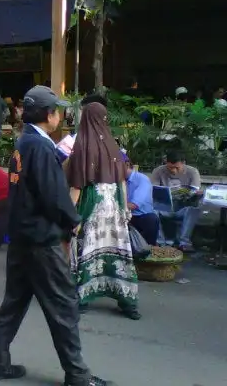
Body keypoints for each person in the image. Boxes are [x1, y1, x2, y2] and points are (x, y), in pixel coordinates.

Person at [0, 86, 111, 386]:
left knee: (13, 303)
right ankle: (78, 375)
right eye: (58, 110)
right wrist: (73, 221)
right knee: (64, 307)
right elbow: (54, 196)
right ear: (48, 115)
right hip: (42, 240)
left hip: (22, 237)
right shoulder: (39, 147)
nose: (61, 115)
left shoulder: (25, 143)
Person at [65, 102, 140, 321]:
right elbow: (122, 182)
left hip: (93, 203)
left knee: (88, 250)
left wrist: (69, 214)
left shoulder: (83, 145)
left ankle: (84, 298)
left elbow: (77, 186)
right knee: (118, 250)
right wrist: (124, 208)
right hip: (114, 205)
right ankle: (128, 302)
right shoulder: (113, 145)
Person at [151, 151, 202, 251]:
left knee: (195, 208)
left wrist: (196, 194)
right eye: (170, 167)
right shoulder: (158, 171)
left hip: (182, 209)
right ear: (166, 163)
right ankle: (160, 242)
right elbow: (153, 189)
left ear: (183, 163)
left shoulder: (193, 172)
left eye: (177, 168)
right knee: (150, 209)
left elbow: (195, 189)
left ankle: (184, 242)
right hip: (164, 208)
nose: (173, 170)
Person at [125, 157, 160, 246]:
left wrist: (110, 206)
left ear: (127, 165)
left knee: (152, 219)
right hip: (123, 214)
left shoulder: (142, 179)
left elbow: (133, 205)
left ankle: (148, 248)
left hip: (139, 216)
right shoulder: (115, 180)